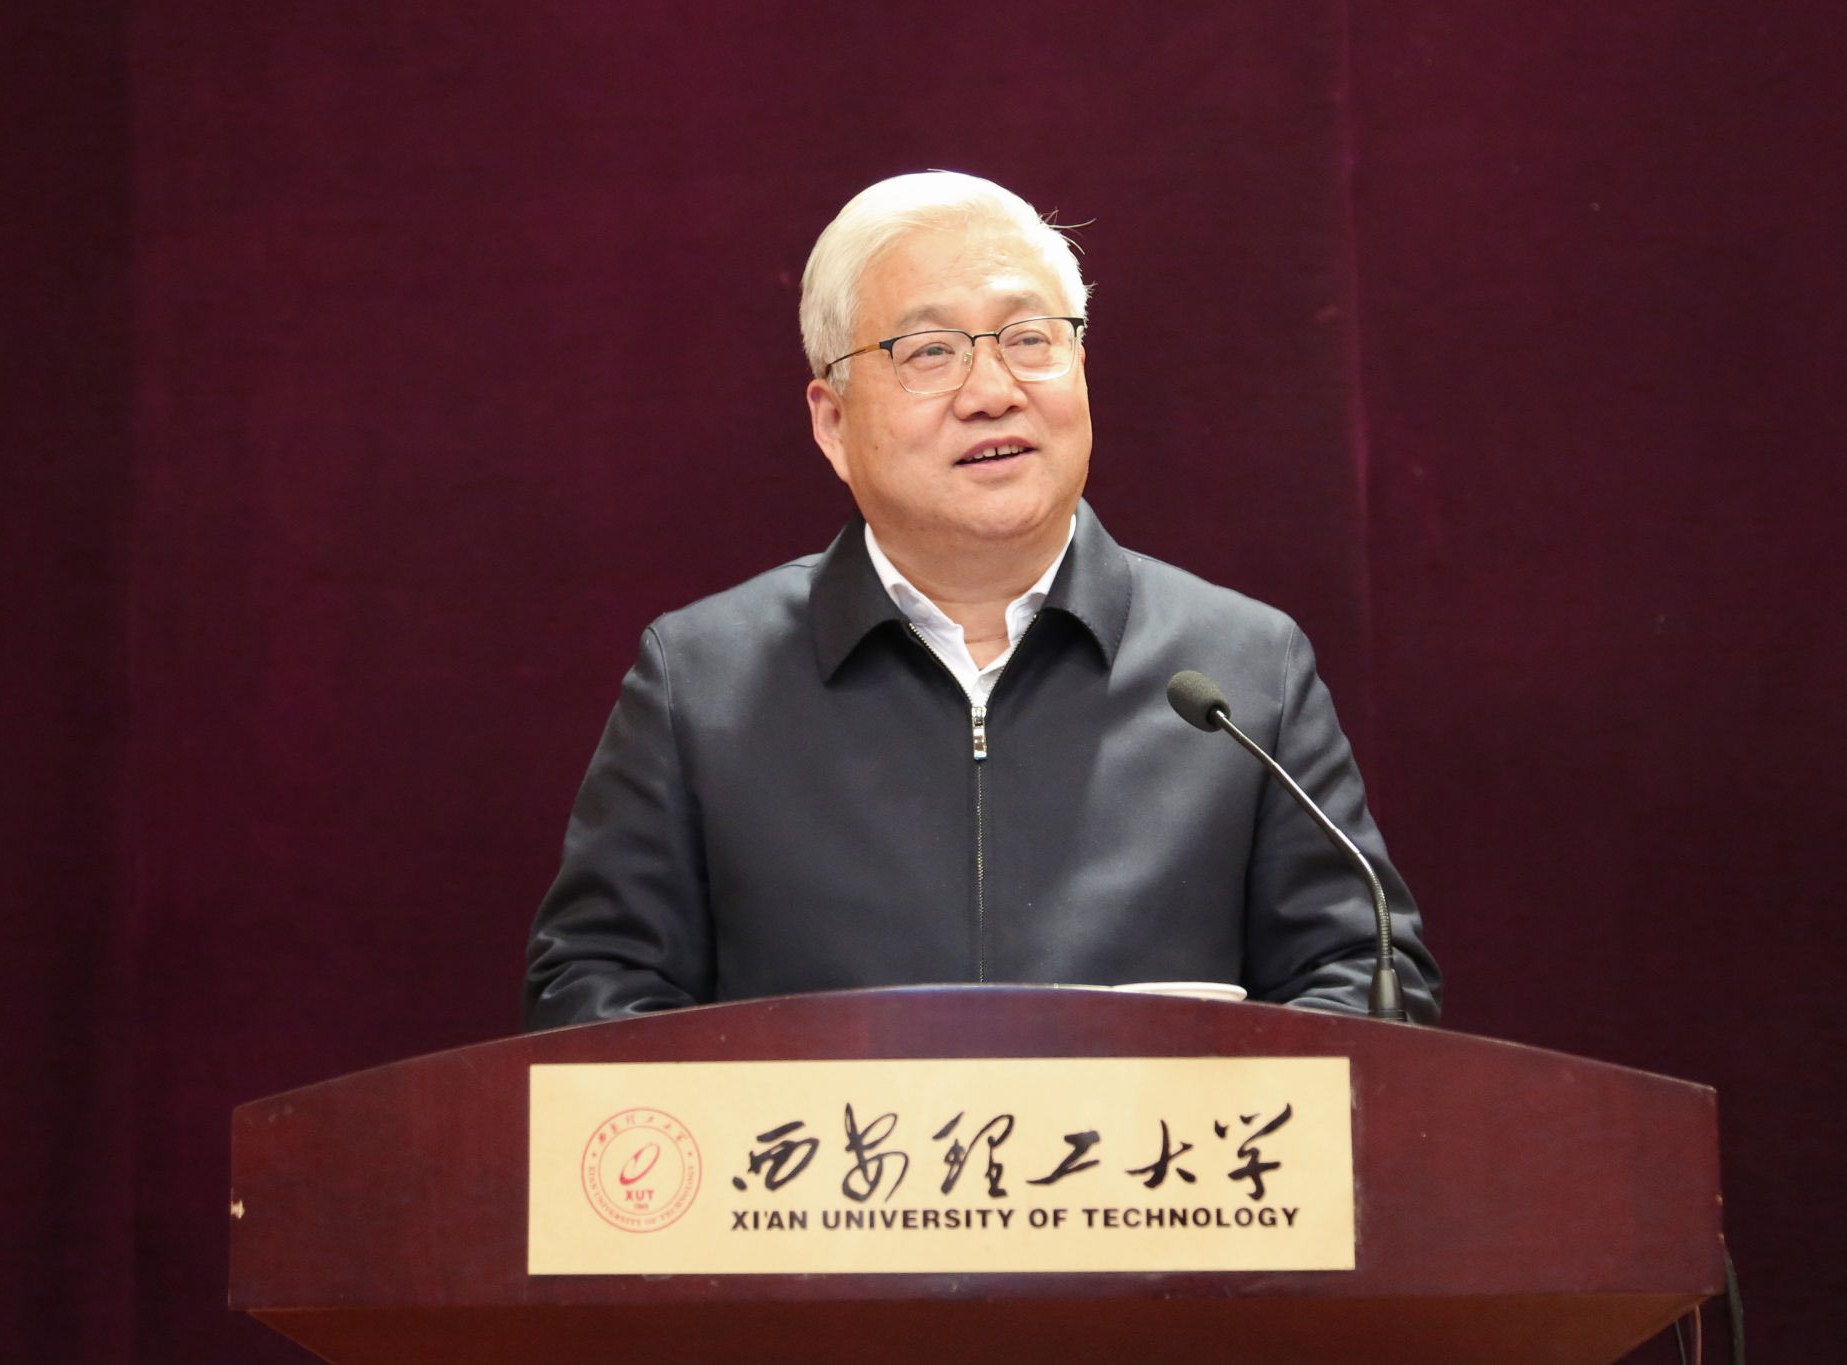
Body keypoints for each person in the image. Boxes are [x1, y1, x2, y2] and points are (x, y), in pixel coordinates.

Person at [523, 171, 1440, 1030]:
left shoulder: (1241, 671)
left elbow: (1363, 975)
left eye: (1030, 339)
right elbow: (596, 990)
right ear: (832, 420)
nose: (993, 393)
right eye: (929, 352)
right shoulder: (700, 682)